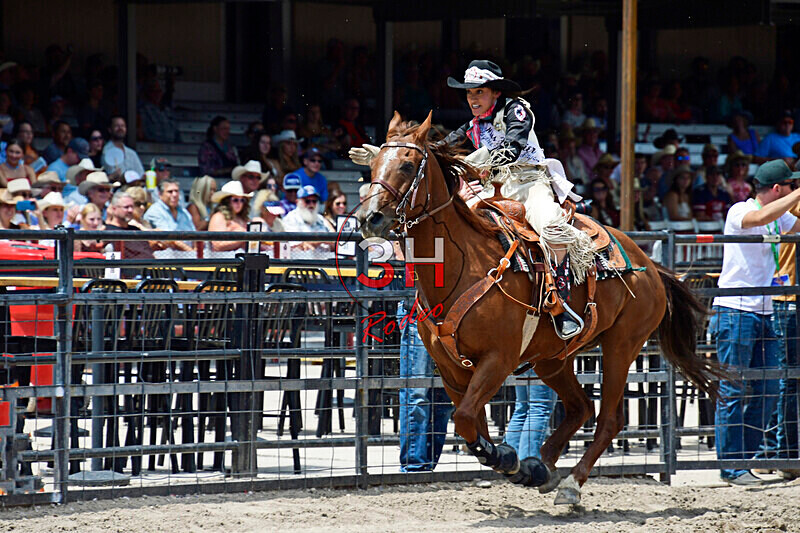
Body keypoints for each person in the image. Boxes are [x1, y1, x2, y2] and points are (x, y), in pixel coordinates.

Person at [434, 60, 592, 338]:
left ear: (496, 92)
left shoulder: (515, 110)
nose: (473, 98)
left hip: (529, 183)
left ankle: (561, 303)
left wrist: (470, 163)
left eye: (479, 92)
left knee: (552, 229)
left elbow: (513, 145)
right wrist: (389, 153)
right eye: (470, 93)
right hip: (493, 186)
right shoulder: (472, 125)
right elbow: (438, 150)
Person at [710, 159, 800, 485]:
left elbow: (790, 222)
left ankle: (742, 461)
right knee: (734, 389)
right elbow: (760, 217)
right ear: (778, 189)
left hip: (761, 310)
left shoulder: (781, 215)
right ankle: (732, 467)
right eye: (791, 187)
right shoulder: (739, 210)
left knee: (770, 388)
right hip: (736, 310)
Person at [397, 298, 454, 472]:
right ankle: (416, 463)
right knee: (418, 393)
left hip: (446, 317)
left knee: (442, 397)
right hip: (421, 314)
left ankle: (422, 462)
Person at [766, 200, 800, 480]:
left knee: (787, 377)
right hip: (788, 297)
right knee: (789, 377)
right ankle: (783, 451)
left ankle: (778, 450)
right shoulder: (792, 205)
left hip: (787, 295)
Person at [504, 369, 556, 465]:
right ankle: (528, 464)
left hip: (522, 361)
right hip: (541, 360)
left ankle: (510, 461)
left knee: (522, 408)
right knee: (539, 408)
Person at [143, 179, 196, 256]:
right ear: (160, 194)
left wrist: (196, 252)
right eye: (170, 192)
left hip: (188, 257)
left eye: (176, 191)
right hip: (166, 261)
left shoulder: (184, 212)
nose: (174, 194)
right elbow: (170, 238)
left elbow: (194, 235)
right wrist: (192, 253)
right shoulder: (155, 211)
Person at [104, 190, 158, 260]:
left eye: (132, 207)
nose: (130, 210)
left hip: (149, 268)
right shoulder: (107, 231)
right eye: (126, 207)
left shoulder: (136, 230)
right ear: (114, 209)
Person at [282, 185, 333, 256]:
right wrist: (321, 239)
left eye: (314, 201)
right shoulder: (291, 218)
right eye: (307, 201)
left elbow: (335, 242)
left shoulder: (321, 219)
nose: (311, 204)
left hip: (325, 262)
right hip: (301, 263)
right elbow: (298, 246)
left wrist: (322, 240)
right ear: (297, 202)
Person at [207, 181, 252, 257]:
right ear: (227, 201)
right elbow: (217, 245)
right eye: (235, 200)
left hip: (245, 262)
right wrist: (244, 237)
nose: (239, 203)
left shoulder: (244, 218)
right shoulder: (219, 217)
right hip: (224, 264)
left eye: (242, 200)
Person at [559, 130, 588, 196]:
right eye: (567, 144)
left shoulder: (578, 160)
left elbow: (584, 179)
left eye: (572, 143)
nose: (570, 146)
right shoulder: (559, 161)